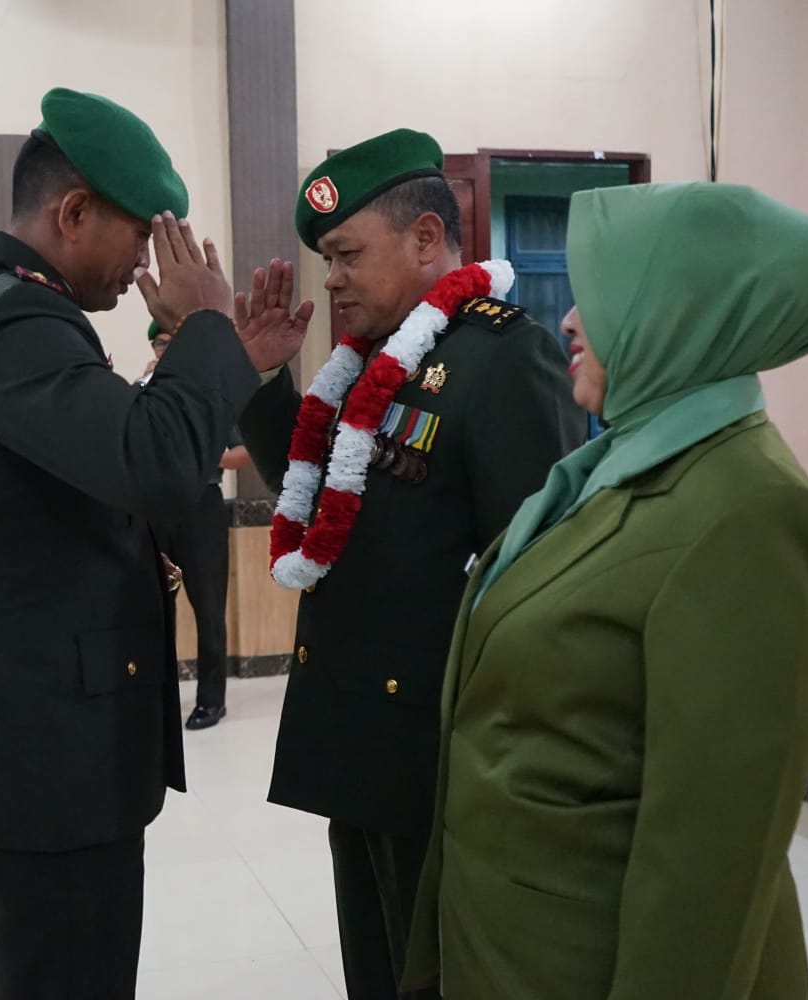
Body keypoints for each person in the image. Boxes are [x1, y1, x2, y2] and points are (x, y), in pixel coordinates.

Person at [401, 182, 808, 999]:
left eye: (603, 297)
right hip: (515, 951)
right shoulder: (616, 464)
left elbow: (710, 867)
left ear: (678, 314)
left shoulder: (753, 517)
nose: (570, 321)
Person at [0, 87, 259, 1000]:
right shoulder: (20, 322)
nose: (144, 264)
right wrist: (207, 324)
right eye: (139, 237)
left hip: (35, 758)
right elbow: (156, 462)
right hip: (44, 774)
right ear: (72, 213)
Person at [232, 128, 587, 1000]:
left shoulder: (503, 355)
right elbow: (329, 502)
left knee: (431, 974)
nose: (331, 278)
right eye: (327, 258)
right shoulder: (373, 360)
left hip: (433, 752)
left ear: (427, 238)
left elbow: (533, 576)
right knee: (377, 969)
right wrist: (261, 381)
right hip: (359, 739)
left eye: (348, 254)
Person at [141, 318, 251, 729]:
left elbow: (243, 452)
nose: (165, 350)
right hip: (156, 507)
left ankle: (211, 701)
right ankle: (158, 696)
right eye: (160, 344)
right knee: (155, 609)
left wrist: (202, 452)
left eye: (173, 343)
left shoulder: (207, 395)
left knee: (208, 605)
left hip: (201, 505)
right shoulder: (141, 391)